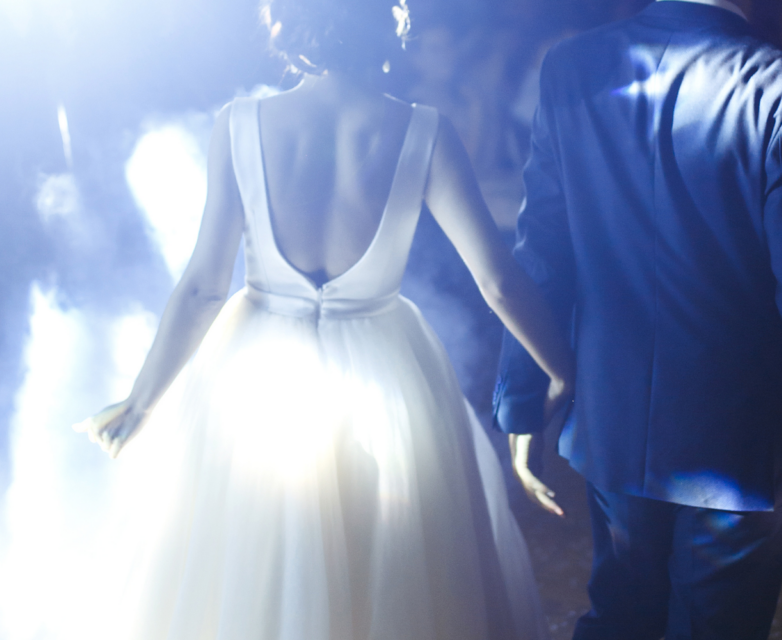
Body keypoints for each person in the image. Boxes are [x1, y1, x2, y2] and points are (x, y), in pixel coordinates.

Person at [74, 1, 575, 638]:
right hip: (387, 370)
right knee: (386, 559)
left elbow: (203, 286)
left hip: (255, 365)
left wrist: (142, 402)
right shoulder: (423, 130)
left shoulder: (239, 124)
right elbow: (497, 280)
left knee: (248, 556)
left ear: (291, 26)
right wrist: (559, 367)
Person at [494, 0, 782, 638]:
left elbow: (541, 251)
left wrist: (522, 400)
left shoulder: (572, 66)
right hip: (739, 445)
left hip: (612, 418)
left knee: (619, 617)